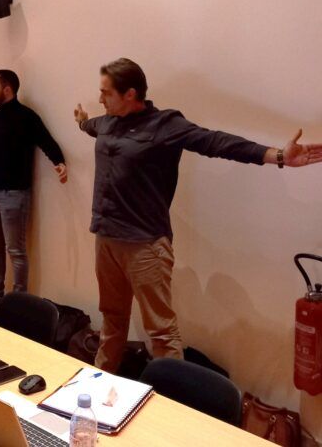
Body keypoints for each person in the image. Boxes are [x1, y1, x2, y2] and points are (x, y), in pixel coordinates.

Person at [74, 58, 322, 373]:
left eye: (106, 92)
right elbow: (91, 127)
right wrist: (82, 121)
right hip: (106, 240)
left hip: (145, 246)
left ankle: (172, 397)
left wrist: (280, 156)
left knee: (161, 333)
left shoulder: (164, 125)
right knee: (112, 319)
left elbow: (216, 142)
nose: (100, 99)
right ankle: (100, 382)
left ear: (130, 94)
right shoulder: (106, 123)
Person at [0, 70, 67, 315]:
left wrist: (59, 162)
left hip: (15, 195)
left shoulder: (27, 116)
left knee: (16, 251)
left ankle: (18, 304)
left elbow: (46, 141)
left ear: (7, 89)